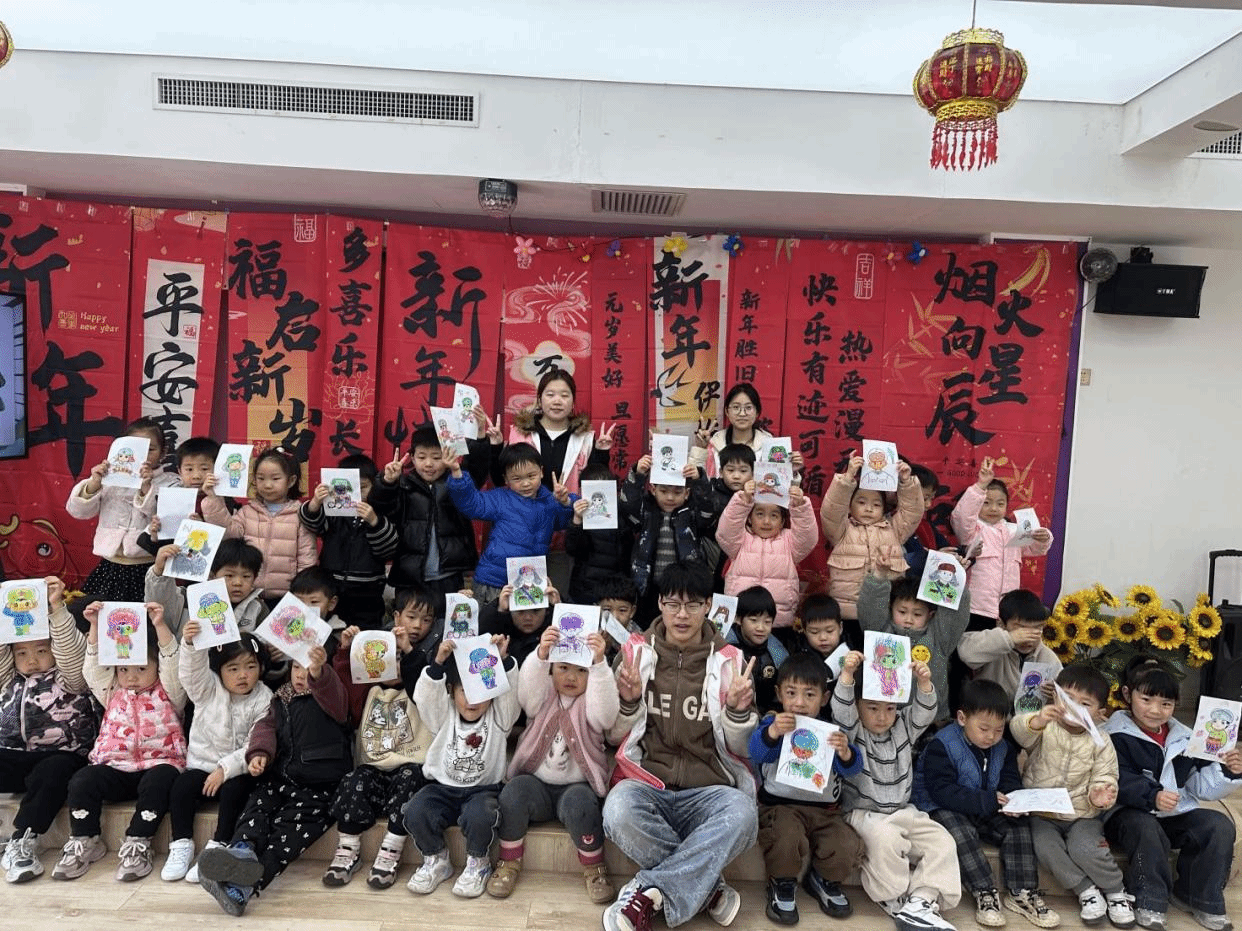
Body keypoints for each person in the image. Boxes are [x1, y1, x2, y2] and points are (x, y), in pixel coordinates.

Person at [602, 561, 758, 931]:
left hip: (709, 789)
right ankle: (707, 890)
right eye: (673, 604)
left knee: (742, 814)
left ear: (709, 606)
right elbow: (612, 737)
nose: (682, 615)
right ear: (660, 603)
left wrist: (738, 712)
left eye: (693, 605)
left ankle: (648, 891)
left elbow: (742, 748)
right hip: (648, 783)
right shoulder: (634, 654)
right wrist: (627, 704)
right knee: (618, 810)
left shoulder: (731, 662)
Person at [197, 644, 352, 916]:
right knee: (255, 809)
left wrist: (319, 672)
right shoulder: (281, 698)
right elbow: (264, 729)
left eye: (308, 668)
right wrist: (259, 754)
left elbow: (331, 690)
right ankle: (242, 850)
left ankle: (243, 888)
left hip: (320, 788)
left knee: (287, 835)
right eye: (296, 667)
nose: (301, 674)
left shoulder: (332, 698)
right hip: (280, 779)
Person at [1103, 661, 1242, 931]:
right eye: (1146, 700)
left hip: (1172, 814)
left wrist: (1227, 770)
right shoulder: (1113, 735)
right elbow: (1116, 776)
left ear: (1176, 704)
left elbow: (1201, 788)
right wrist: (1152, 796)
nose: (1156, 710)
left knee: (1218, 825)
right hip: (1126, 815)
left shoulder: (1187, 738)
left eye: (1166, 704)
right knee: (1145, 827)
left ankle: (1198, 897)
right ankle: (1149, 899)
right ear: (1127, 694)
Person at [55, 601, 186, 882]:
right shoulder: (113, 690)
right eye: (124, 669)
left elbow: (173, 663)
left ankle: (138, 842)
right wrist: (95, 627)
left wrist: (160, 626)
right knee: (82, 780)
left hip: (158, 765)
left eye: (141, 668)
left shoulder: (170, 691)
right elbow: (93, 670)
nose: (132, 677)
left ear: (156, 666)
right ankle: (85, 839)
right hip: (116, 767)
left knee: (162, 779)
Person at [488, 623, 619, 903]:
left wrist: (599, 666)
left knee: (582, 806)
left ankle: (594, 867)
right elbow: (526, 695)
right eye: (563, 668)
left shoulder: (590, 701)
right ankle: (508, 861)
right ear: (551, 670)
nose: (571, 677)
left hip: (576, 787)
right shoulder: (544, 695)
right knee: (512, 794)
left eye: (581, 670)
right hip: (536, 785)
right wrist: (540, 655)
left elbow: (607, 716)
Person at [913, 678, 1060, 929]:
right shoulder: (943, 744)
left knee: (1018, 828)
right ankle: (984, 892)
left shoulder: (1003, 747)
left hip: (986, 803)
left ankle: (1022, 891)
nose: (991, 736)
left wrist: (1014, 801)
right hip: (945, 805)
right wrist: (987, 800)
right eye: (983, 728)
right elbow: (941, 791)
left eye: (999, 729)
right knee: (960, 832)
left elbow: (1009, 779)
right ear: (962, 718)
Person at [832, 648, 960, 931]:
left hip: (904, 811)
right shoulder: (853, 730)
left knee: (942, 841)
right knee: (886, 839)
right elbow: (841, 709)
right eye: (873, 708)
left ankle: (921, 900)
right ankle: (892, 897)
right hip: (864, 814)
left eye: (889, 708)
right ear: (858, 706)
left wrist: (924, 683)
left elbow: (925, 712)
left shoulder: (903, 726)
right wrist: (847, 675)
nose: (882, 716)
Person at [1012, 666, 1133, 929]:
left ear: (1100, 712)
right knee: (1045, 847)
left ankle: (1116, 891)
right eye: (1067, 698)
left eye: (1085, 704)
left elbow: (1106, 774)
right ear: (1055, 697)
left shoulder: (1101, 740)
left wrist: (1100, 794)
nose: (1073, 707)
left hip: (1083, 814)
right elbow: (1019, 732)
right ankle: (1085, 890)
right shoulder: (1046, 727)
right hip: (1043, 812)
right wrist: (1037, 721)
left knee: (1086, 848)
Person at [749, 652, 863, 925]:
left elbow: (853, 768)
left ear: (824, 698)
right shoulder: (774, 723)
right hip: (780, 807)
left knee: (846, 844)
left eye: (810, 695)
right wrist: (772, 733)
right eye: (791, 693)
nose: (799, 702)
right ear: (779, 693)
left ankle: (823, 880)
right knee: (784, 837)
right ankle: (782, 882)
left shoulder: (830, 731)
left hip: (826, 812)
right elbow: (755, 752)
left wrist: (845, 752)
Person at [403, 634, 520, 898]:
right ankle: (436, 859)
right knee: (415, 810)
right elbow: (426, 698)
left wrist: (503, 660)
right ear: (451, 691)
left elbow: (511, 695)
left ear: (492, 693)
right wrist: (437, 663)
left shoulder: (500, 718)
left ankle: (478, 863)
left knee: (480, 816)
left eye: (480, 693)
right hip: (442, 789)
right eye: (464, 691)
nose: (472, 701)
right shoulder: (442, 714)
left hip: (483, 791)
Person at [0, 577, 99, 884]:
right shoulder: (8, 678)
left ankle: (23, 841)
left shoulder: (71, 677)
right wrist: (4, 608)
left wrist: (56, 608)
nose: (31, 660)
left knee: (53, 771)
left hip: (63, 756)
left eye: (41, 650)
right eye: (22, 653)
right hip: (18, 756)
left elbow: (70, 651)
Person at [322, 619, 432, 889]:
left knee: (412, 777)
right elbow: (344, 687)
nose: (392, 665)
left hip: (409, 770)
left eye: (398, 659)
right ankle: (347, 848)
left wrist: (409, 651)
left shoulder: (419, 694)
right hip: (372, 771)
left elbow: (423, 679)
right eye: (386, 659)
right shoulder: (367, 693)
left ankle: (391, 850)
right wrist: (346, 652)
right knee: (352, 780)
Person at [164, 628, 271, 882]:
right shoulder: (208, 688)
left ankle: (219, 846)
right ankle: (181, 843)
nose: (243, 675)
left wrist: (225, 770)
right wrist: (190, 644)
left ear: (261, 667)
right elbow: (191, 673)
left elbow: (255, 743)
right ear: (219, 670)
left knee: (235, 791)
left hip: (238, 771)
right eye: (233, 668)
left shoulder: (264, 698)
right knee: (182, 787)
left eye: (250, 667)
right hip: (203, 765)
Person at [371, 424, 495, 597]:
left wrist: (480, 439)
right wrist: (386, 482)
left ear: (448, 456)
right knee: (410, 615)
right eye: (422, 457)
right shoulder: (403, 485)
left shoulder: (456, 483)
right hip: (409, 577)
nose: (428, 464)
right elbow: (381, 508)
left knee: (447, 615)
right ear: (412, 458)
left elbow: (477, 470)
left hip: (449, 575)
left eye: (436, 457)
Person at [446, 442, 576, 605]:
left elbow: (565, 521)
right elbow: (472, 504)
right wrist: (457, 473)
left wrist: (565, 501)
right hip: (493, 582)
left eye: (531, 476)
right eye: (517, 479)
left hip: (529, 583)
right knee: (491, 620)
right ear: (506, 479)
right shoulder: (500, 498)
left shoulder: (549, 501)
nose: (526, 483)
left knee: (527, 621)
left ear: (541, 472)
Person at [65, 417, 175, 601]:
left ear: (163, 452)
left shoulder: (170, 483)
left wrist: (146, 488)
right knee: (98, 614)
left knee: (145, 615)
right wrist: (94, 483)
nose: (143, 456)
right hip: (110, 565)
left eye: (150, 450)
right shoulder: (109, 477)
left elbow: (167, 521)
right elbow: (78, 511)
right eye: (136, 449)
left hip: (148, 565)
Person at [201, 446, 318, 603]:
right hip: (248, 595)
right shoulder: (247, 511)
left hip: (285, 597)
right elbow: (228, 535)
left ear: (291, 481)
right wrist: (213, 498)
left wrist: (301, 594)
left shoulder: (300, 515)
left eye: (275, 479)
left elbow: (307, 558)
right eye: (261, 478)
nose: (267, 485)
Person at [950, 457, 1053, 631]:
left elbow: (1034, 548)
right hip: (976, 606)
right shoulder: (972, 530)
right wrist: (980, 486)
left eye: (1000, 504)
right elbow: (962, 517)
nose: (993, 508)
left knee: (1003, 644)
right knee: (975, 643)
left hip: (1007, 609)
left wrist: (1043, 537)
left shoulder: (1013, 530)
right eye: (986, 503)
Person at [820, 453, 923, 623]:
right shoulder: (841, 531)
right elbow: (832, 509)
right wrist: (847, 478)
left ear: (884, 509)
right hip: (847, 613)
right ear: (849, 506)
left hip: (884, 612)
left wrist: (907, 483)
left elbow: (912, 512)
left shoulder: (895, 530)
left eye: (876, 504)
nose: (869, 508)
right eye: (861, 502)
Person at [300, 453, 398, 630]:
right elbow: (313, 525)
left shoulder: (380, 511)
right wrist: (315, 503)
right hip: (332, 586)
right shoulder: (334, 510)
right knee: (330, 631)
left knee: (365, 635)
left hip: (368, 592)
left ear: (375, 486)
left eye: (364, 487)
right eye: (351, 488)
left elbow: (388, 550)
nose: (357, 494)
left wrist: (374, 522)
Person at [858, 571, 971, 721]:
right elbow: (870, 607)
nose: (909, 619)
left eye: (917, 614)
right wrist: (878, 577)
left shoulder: (939, 636)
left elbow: (955, 615)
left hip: (932, 720)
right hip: (884, 718)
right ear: (891, 608)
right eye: (902, 612)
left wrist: (955, 581)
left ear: (930, 615)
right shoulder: (880, 631)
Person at [618, 453, 715, 623]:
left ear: (687, 493)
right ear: (653, 490)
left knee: (681, 623)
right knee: (648, 626)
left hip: (685, 586)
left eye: (677, 492)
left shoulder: (692, 514)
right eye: (663, 491)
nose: (670, 497)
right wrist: (638, 474)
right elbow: (628, 505)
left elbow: (709, 511)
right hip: (648, 585)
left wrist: (699, 479)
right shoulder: (646, 511)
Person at [716, 477, 818, 630]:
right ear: (750, 518)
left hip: (778, 623)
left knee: (777, 647)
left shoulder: (790, 543)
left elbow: (807, 537)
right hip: (740, 622)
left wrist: (800, 507)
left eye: (774, 516)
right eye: (760, 514)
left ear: (782, 521)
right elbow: (725, 531)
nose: (766, 522)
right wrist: (743, 501)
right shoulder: (739, 541)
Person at [498, 369, 612, 495]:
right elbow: (501, 479)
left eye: (564, 396)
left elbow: (596, 485)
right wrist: (495, 447)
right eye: (550, 395)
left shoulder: (586, 439)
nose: (557, 401)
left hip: (571, 506)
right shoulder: (520, 434)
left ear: (573, 402)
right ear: (539, 400)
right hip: (526, 507)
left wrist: (601, 453)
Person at [146, 538, 269, 639]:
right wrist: (159, 571)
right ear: (212, 576)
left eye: (246, 576)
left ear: (254, 578)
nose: (238, 583)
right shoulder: (189, 599)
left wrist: (271, 650)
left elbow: (265, 644)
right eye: (229, 575)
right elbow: (159, 603)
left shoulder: (258, 608)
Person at [958, 590, 1062, 700]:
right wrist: (1010, 638)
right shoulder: (992, 643)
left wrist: (1054, 695)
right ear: (1001, 624)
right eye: (1021, 628)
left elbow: (1065, 696)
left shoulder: (1048, 658)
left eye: (1036, 628)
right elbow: (966, 654)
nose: (1028, 637)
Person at [137, 435, 223, 554]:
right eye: (189, 469)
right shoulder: (172, 497)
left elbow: (227, 540)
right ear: (179, 471)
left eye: (204, 469)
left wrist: (202, 527)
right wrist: (155, 535)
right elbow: (156, 545)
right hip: (173, 559)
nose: (196, 476)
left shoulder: (223, 500)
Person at [565, 462, 633, 605]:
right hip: (585, 589)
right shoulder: (579, 517)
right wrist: (577, 520)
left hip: (613, 591)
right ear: (581, 492)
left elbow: (628, 551)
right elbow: (573, 549)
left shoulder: (621, 515)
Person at [689, 383, 782, 479]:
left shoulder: (769, 446)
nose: (742, 414)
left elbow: (779, 483)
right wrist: (700, 449)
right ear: (727, 411)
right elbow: (694, 480)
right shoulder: (715, 444)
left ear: (757, 412)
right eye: (736, 407)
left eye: (748, 408)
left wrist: (790, 470)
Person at [724, 585, 789, 715]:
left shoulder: (778, 653)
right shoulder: (725, 644)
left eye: (767, 622)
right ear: (738, 619)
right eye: (754, 620)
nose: (761, 628)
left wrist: (772, 714)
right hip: (728, 710)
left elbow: (783, 690)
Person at [700, 443, 756, 585]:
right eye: (730, 470)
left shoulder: (758, 496)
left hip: (748, 556)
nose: (736, 476)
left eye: (743, 471)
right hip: (715, 554)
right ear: (721, 471)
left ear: (753, 473)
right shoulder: (712, 491)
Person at [480, 582, 562, 667]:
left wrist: (560, 609)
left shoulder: (554, 636)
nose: (528, 617)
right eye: (520, 611)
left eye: (536, 610)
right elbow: (481, 636)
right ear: (510, 610)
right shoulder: (500, 636)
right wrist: (500, 609)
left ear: (547, 611)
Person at [903, 464, 952, 581]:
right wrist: (933, 558)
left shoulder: (925, 525)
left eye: (931, 498)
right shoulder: (893, 525)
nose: (929, 505)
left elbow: (946, 547)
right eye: (924, 498)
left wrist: (964, 553)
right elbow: (907, 562)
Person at [793, 593, 848, 668]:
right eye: (814, 632)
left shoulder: (850, 651)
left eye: (829, 631)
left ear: (840, 628)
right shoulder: (800, 659)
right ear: (804, 631)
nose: (823, 638)